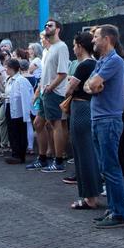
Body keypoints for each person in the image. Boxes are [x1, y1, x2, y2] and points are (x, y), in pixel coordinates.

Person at [82, 25, 124, 228]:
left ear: (107, 39)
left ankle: (119, 214)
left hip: (108, 120)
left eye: (96, 37)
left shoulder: (114, 60)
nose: (93, 40)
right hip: (99, 119)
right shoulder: (102, 61)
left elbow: (92, 85)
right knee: (105, 169)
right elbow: (87, 85)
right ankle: (112, 210)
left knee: (110, 168)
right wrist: (93, 86)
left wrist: (93, 85)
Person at [62, 31, 101, 210]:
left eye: (74, 45)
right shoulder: (96, 63)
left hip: (80, 109)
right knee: (88, 153)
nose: (73, 48)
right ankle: (91, 195)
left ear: (80, 46)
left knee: (82, 154)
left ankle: (89, 197)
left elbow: (68, 90)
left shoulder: (83, 65)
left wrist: (71, 82)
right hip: (89, 107)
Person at [34, 20, 71, 173]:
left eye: (50, 25)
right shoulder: (49, 49)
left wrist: (51, 87)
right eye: (46, 26)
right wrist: (40, 89)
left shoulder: (61, 47)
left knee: (56, 124)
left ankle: (59, 160)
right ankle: (42, 158)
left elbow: (63, 73)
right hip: (45, 92)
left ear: (58, 29)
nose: (47, 27)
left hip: (54, 92)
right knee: (38, 123)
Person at [3, 58, 35, 165]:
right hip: (10, 106)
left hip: (19, 109)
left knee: (19, 131)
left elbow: (25, 97)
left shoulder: (21, 80)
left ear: (12, 68)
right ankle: (15, 153)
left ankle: (20, 155)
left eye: (7, 67)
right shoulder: (9, 79)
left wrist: (26, 113)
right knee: (12, 130)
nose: (5, 69)